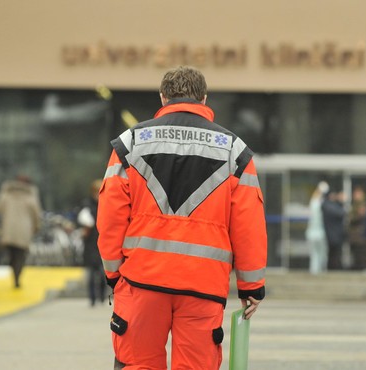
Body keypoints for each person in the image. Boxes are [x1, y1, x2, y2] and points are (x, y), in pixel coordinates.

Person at [97, 66, 267, 370]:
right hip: (203, 286)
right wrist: (251, 286)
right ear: (204, 98)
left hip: (141, 280)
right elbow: (249, 224)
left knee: (138, 364)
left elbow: (110, 214)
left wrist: (113, 274)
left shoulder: (130, 144)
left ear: (163, 98)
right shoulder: (235, 152)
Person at [0, 175, 42, 289]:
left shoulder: (7, 193)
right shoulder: (30, 195)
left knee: (12, 254)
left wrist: (4, 189)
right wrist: (36, 226)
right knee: (20, 255)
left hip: (9, 230)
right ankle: (17, 275)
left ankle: (14, 271)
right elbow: (36, 213)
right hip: (24, 230)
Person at [77, 179, 106, 306]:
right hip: (90, 243)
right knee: (91, 273)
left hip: (103, 241)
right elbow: (82, 220)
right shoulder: (87, 205)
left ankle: (102, 297)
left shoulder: (107, 204)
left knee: (102, 272)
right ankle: (92, 298)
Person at [306, 181, 328, 274]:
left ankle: (315, 270)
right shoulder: (320, 203)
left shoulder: (313, 201)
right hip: (319, 232)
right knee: (320, 253)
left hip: (313, 232)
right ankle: (317, 270)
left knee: (315, 253)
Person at [322, 190, 346, 270]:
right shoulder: (328, 205)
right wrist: (341, 202)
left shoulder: (331, 205)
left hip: (335, 233)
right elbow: (341, 213)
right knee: (334, 254)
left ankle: (334, 267)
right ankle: (334, 268)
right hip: (332, 234)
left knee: (334, 253)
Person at [348, 186, 366, 270]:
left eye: (357, 193)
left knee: (361, 253)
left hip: (360, 234)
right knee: (355, 253)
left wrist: (352, 217)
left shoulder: (362, 204)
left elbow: (360, 216)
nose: (355, 195)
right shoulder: (354, 204)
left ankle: (363, 268)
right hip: (354, 234)